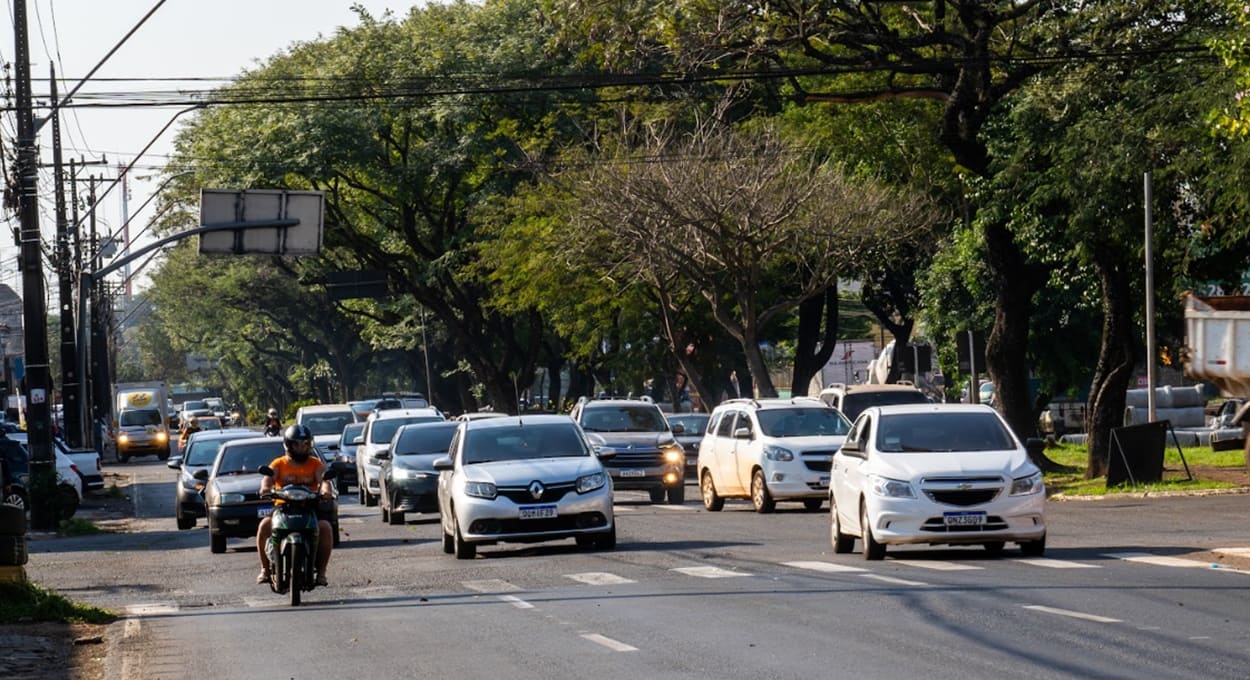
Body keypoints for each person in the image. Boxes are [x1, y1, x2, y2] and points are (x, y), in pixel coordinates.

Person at [256, 424, 334, 586]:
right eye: (297, 444)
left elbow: (324, 481)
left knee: (325, 527)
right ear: (288, 445)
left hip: (309, 508)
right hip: (283, 508)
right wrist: (265, 488)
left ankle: (321, 573)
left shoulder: (316, 464)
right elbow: (268, 478)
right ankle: (265, 570)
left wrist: (326, 492)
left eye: (305, 444)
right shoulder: (278, 463)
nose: (301, 448)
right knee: (264, 525)